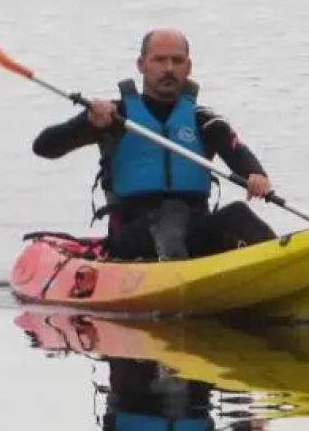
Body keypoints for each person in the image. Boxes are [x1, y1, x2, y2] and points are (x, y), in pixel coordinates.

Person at [30, 27, 277, 260]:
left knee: (237, 214)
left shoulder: (204, 120)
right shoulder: (115, 117)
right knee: (171, 214)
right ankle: (176, 280)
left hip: (192, 230)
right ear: (142, 64)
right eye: (160, 60)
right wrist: (87, 121)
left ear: (188, 67)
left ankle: (277, 269)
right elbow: (44, 147)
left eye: (177, 61)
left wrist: (256, 175)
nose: (169, 68)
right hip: (131, 236)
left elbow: (237, 154)